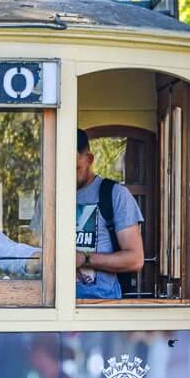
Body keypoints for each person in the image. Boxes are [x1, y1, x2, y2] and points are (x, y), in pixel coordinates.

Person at [76, 128, 144, 300]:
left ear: (89, 159)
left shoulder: (115, 194)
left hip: (102, 306)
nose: (67, 174)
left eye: (75, 167)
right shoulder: (48, 196)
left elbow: (135, 259)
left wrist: (84, 259)